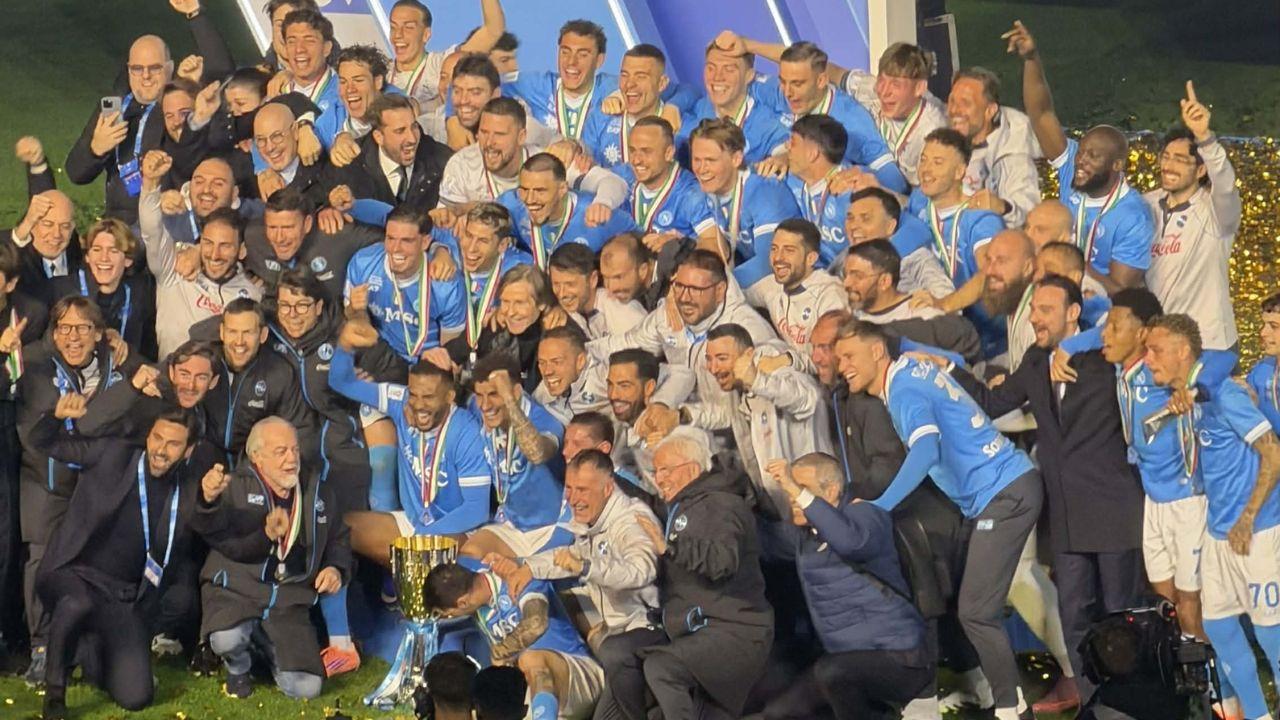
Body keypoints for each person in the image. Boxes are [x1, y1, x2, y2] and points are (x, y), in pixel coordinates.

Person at [939, 275, 1147, 704]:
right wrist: (949, 369)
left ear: (1074, 313)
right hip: (1066, 513)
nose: (1035, 318)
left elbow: (1140, 327)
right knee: (1073, 613)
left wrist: (1081, 342)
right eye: (1033, 310)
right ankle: (1093, 702)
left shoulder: (1105, 355)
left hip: (1114, 507)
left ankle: (1135, 701)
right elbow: (994, 403)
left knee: (1120, 611)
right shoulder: (1036, 360)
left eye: (1046, 310)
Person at [835, 320, 1041, 720]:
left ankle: (1012, 710)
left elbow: (926, 450)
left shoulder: (903, 389)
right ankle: (1010, 705)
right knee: (977, 607)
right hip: (1004, 491)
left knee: (976, 612)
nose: (842, 366)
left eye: (849, 356)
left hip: (1004, 495)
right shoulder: (910, 370)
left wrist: (881, 504)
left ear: (876, 352)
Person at [1143, 314, 1280, 720]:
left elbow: (1273, 454)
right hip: (1220, 532)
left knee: (1271, 636)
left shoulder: (1225, 394)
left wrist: (1248, 517)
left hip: (1257, 531)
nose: (1149, 359)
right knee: (1218, 628)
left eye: (1157, 350)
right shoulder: (1195, 393)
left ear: (1183, 352)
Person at [32, 406, 203, 719]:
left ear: (188, 450)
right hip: (73, 573)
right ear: (147, 436)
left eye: (173, 444)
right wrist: (55, 416)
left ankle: (90, 650)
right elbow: (43, 442)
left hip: (121, 597)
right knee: (77, 604)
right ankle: (54, 693)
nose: (161, 450)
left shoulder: (187, 488)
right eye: (157, 438)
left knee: (136, 696)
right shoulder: (113, 453)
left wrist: (215, 501)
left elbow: (214, 528)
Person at [16, 297, 143, 684]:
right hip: (46, 483)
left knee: (88, 565)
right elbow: (64, 427)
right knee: (42, 563)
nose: (74, 337)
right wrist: (124, 395)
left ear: (99, 333)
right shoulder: (35, 365)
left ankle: (83, 645)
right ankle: (41, 648)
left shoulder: (116, 363)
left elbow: (147, 384)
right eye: (65, 328)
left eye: (83, 328)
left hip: (92, 488)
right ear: (54, 333)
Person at [606, 427, 773, 720]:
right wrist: (607, 473)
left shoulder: (722, 505)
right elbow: (650, 503)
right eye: (656, 471)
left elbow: (722, 562)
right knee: (616, 653)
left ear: (692, 469)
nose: (659, 479)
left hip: (731, 629)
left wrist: (669, 547)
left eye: (665, 470)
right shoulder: (682, 505)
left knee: (662, 668)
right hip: (685, 627)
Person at [759, 453, 933, 719]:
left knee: (832, 673)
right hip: (846, 662)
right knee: (778, 713)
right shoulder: (805, 535)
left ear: (831, 491)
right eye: (790, 490)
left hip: (900, 658)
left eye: (802, 489)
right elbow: (762, 540)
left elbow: (851, 542)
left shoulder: (864, 513)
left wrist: (796, 490)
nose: (793, 497)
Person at [196, 417, 351, 700]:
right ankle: (238, 666)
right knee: (226, 639)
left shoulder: (318, 491)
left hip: (289, 602)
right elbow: (209, 526)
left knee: (307, 689)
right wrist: (206, 499)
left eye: (294, 450)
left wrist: (335, 568)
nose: (291, 459)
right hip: (236, 593)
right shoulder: (234, 487)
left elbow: (339, 539)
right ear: (257, 457)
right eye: (280, 452)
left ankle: (262, 652)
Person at [1007, 21, 1153, 295]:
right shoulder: (1072, 170)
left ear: (1117, 165)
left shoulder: (1133, 216)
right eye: (1081, 151)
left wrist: (1070, 261)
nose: (1080, 160)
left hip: (1099, 312)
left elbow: (1121, 292)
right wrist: (1031, 59)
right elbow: (1041, 114)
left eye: (1092, 156)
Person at [327, 319, 492, 549]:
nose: (418, 405)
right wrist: (345, 347)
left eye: (429, 397)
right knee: (342, 527)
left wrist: (422, 538)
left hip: (457, 528)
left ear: (449, 397)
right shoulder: (400, 400)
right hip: (415, 523)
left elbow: (476, 509)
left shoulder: (467, 432)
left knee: (427, 554)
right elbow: (341, 382)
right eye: (414, 394)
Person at [647, 323, 831, 525]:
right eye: (709, 359)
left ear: (748, 355)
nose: (713, 368)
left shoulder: (782, 377)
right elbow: (725, 414)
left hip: (816, 504)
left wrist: (757, 380)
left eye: (722, 358)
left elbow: (807, 399)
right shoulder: (741, 390)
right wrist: (681, 415)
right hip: (778, 508)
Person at [709, 35, 909, 193]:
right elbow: (730, 82)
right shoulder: (780, 93)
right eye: (783, 81)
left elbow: (895, 183)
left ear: (821, 81)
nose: (788, 92)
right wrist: (746, 45)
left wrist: (855, 178)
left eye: (797, 84)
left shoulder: (852, 123)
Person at [589, 249, 775, 402]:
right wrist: (581, 353)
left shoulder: (748, 329)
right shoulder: (668, 316)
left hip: (736, 428)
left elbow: (774, 388)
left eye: (695, 289)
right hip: (685, 418)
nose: (685, 298)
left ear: (720, 291)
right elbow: (626, 344)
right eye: (679, 286)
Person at [1144, 83, 1241, 352]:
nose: (1168, 165)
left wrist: (1204, 137)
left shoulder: (1216, 212)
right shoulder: (1144, 205)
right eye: (1165, 157)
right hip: (1159, 345)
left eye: (1179, 159)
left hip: (1210, 345)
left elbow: (1225, 183)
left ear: (1200, 170)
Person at [138, 150, 262, 358]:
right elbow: (151, 230)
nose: (215, 254)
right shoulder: (173, 268)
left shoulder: (253, 291)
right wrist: (151, 185)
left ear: (241, 250)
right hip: (171, 375)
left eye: (225, 246)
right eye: (208, 243)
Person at [908, 127, 1007, 358]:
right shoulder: (918, 201)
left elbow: (989, 275)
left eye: (938, 162)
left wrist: (943, 304)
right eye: (923, 160)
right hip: (942, 331)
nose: (926, 170)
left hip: (989, 341)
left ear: (959, 172)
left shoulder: (980, 218)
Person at [461, 352, 570, 559]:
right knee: (470, 555)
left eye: (494, 394)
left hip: (549, 530)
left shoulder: (545, 421)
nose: (485, 405)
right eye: (480, 395)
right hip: (510, 526)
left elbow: (536, 454)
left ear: (516, 392)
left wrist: (510, 404)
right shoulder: (477, 408)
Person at [66, 35, 177, 225]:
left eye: (155, 68)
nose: (146, 76)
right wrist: (95, 150)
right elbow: (75, 173)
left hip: (164, 221)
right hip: (118, 225)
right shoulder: (114, 108)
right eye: (137, 69)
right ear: (128, 70)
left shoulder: (177, 107)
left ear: (170, 68)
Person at [344, 204, 467, 366]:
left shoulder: (446, 285)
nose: (396, 249)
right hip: (379, 359)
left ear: (425, 242)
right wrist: (355, 310)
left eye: (406, 241)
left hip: (425, 365)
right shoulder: (363, 263)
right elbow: (355, 322)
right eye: (391, 238)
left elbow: (450, 351)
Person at [688, 118, 801, 277]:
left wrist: (718, 284)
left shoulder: (765, 190)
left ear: (736, 159)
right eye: (696, 160)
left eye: (710, 160)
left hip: (793, 278)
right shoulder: (708, 190)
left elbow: (768, 264)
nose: (702, 169)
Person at [386, 0, 507, 141]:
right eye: (393, 27)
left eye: (408, 27)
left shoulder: (444, 63)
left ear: (426, 34)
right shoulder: (380, 73)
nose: (398, 35)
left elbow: (493, 31)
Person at [243, 187, 381, 302]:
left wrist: (354, 208)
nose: (279, 238)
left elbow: (390, 236)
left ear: (307, 224)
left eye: (288, 228)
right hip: (279, 321)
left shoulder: (337, 234)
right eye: (272, 227)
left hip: (334, 322)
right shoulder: (253, 238)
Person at [839, 42, 949, 187]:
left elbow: (928, 197)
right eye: (881, 80)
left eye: (895, 84)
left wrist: (878, 187)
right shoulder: (871, 90)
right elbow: (833, 73)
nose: (884, 92)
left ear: (919, 88)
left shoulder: (933, 132)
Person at [498, 153, 637, 266]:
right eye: (524, 190)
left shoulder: (595, 214)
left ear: (562, 189)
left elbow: (639, 245)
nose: (530, 199)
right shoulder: (512, 205)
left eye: (540, 191)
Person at [945, 67, 1042, 227]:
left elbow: (1027, 208)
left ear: (990, 111)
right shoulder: (948, 135)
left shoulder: (1013, 150)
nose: (954, 110)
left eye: (965, 103)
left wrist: (1002, 207)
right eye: (952, 101)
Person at [325, 93, 453, 210]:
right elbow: (321, 201)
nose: (412, 139)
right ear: (378, 137)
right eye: (400, 131)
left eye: (414, 127)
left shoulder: (443, 161)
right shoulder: (351, 165)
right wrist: (328, 207)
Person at [613, 117, 720, 250]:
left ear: (669, 153)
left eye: (646, 151)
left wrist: (682, 244)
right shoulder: (624, 176)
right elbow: (591, 177)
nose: (636, 160)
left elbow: (718, 247)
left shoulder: (691, 194)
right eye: (632, 150)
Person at [743, 218, 847, 357]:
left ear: (811, 258)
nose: (778, 257)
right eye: (774, 249)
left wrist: (789, 360)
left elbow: (832, 357)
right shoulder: (770, 286)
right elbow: (732, 299)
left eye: (789, 250)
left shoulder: (830, 296)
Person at [503, 20, 616, 142]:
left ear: (599, 60)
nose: (571, 62)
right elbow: (492, 81)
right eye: (565, 52)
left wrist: (620, 96)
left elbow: (630, 86)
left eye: (582, 55)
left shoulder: (609, 87)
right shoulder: (536, 86)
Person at [678, 41, 790, 164]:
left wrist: (783, 158)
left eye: (729, 69)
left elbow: (802, 63)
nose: (717, 77)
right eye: (711, 68)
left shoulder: (767, 124)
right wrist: (673, 105)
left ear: (749, 76)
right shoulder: (696, 110)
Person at [581, 44, 683, 168]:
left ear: (662, 83)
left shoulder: (678, 126)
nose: (629, 84)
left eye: (640, 77)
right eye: (625, 75)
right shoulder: (599, 119)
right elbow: (585, 171)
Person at [842, 187, 953, 298]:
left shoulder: (915, 260)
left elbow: (946, 297)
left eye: (866, 219)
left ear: (890, 226)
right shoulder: (844, 259)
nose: (853, 226)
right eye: (850, 219)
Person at [781, 114, 857, 267]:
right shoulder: (791, 180)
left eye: (793, 143)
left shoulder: (851, 192)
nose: (786, 147)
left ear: (813, 153)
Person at [78, 218, 159, 360]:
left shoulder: (140, 293)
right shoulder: (63, 291)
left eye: (113, 251)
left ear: (128, 260)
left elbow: (148, 349)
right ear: (87, 257)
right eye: (96, 250)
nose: (104, 258)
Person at [5, 190, 87, 309]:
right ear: (31, 226)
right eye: (48, 224)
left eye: (65, 226)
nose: (56, 234)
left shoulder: (83, 260)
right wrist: (24, 227)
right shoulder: (20, 261)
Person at [547, 242, 645, 339]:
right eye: (556, 284)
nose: (562, 294)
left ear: (593, 280)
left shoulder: (622, 309)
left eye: (570, 284)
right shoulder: (562, 316)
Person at [845, 239, 942, 324]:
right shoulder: (846, 318)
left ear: (884, 281)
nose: (846, 283)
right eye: (846, 275)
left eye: (858, 276)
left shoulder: (921, 317)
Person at [531, 324, 607, 424]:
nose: (547, 371)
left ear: (580, 361)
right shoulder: (540, 396)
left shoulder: (603, 377)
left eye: (556, 362)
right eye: (542, 363)